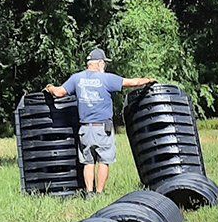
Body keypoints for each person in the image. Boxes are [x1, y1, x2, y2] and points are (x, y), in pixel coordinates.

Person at [44, 47, 154, 194]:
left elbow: (59, 93)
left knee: (88, 163)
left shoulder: (76, 78)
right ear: (100, 63)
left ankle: (89, 193)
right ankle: (100, 193)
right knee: (104, 161)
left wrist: (50, 87)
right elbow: (132, 83)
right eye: (105, 63)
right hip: (103, 128)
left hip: (84, 129)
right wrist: (147, 80)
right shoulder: (107, 78)